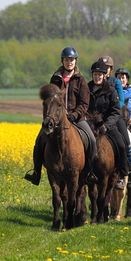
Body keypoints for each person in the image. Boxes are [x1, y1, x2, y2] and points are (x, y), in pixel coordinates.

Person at [24, 46, 97, 185]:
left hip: (77, 119)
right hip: (57, 119)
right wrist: (50, 116)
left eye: (72, 60)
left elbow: (84, 103)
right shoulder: (55, 78)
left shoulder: (80, 80)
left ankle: (89, 172)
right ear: (62, 61)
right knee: (39, 140)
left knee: (92, 140)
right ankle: (36, 173)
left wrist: (74, 115)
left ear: (75, 61)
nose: (69, 62)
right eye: (66, 60)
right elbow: (50, 100)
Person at [88, 60, 130, 190]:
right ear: (92, 75)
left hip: (107, 125)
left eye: (100, 75)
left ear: (104, 75)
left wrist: (106, 125)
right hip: (89, 125)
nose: (97, 77)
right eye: (95, 74)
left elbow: (115, 111)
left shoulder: (111, 91)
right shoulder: (86, 89)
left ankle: (121, 176)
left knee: (122, 145)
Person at [99, 55, 131, 178]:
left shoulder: (116, 82)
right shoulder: (95, 81)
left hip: (115, 115)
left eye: (107, 67)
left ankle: (128, 169)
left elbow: (121, 101)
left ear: (111, 69)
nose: (105, 69)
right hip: (98, 117)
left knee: (126, 139)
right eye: (103, 67)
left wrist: (110, 107)